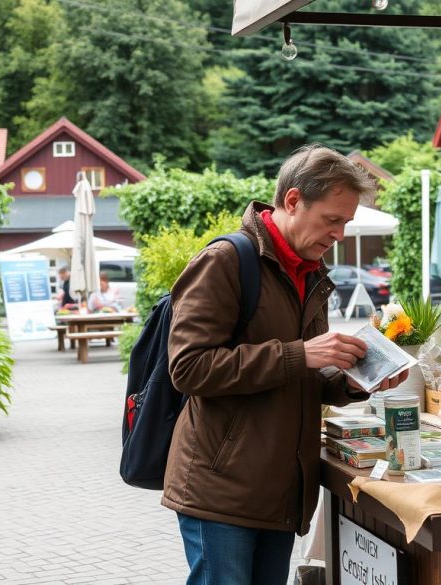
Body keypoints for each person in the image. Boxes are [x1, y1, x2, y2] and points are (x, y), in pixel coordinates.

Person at [163, 144, 408, 585]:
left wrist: (360, 378)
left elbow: (306, 376)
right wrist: (300, 353)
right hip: (223, 489)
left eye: (346, 224)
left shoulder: (312, 272)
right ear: (293, 201)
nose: (339, 234)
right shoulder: (225, 261)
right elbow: (188, 368)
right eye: (331, 220)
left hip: (282, 491)